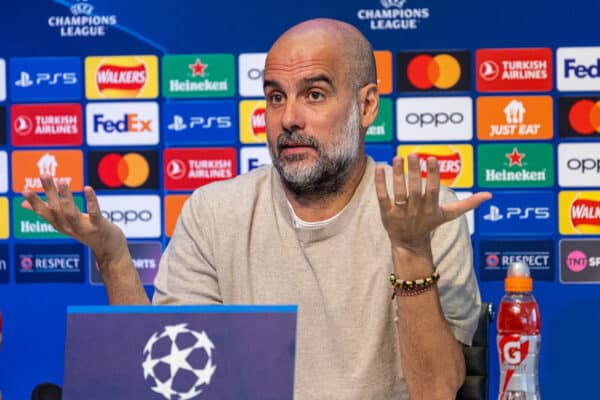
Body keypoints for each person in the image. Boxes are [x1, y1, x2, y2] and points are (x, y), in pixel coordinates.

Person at [23, 18, 491, 400]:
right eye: (275, 97)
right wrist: (114, 259)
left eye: (314, 94)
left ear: (366, 106)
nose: (288, 118)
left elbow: (436, 391)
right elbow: (167, 383)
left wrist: (409, 247)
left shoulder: (424, 213)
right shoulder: (214, 212)